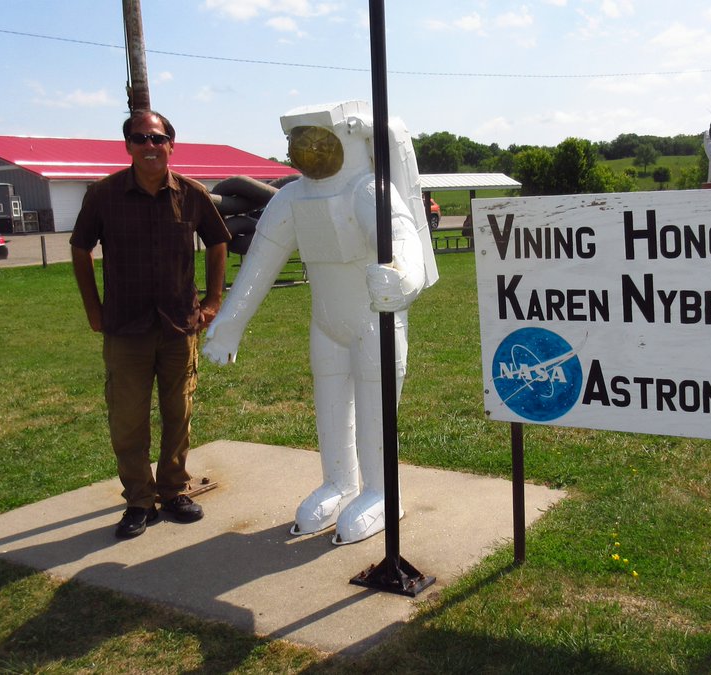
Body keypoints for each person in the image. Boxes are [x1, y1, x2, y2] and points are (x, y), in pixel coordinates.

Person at [203, 100, 437, 545]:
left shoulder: (367, 191)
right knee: (330, 408)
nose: (309, 149)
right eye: (300, 138)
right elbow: (260, 263)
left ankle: (382, 491)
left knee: (374, 411)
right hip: (327, 324)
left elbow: (404, 238)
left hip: (376, 325)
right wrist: (231, 322)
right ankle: (339, 482)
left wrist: (402, 278)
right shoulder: (291, 198)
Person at [70, 110, 230, 539]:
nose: (150, 146)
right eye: (140, 139)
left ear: (171, 145)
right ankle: (139, 500)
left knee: (179, 413)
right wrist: (93, 308)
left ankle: (174, 490)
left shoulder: (192, 194)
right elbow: (80, 249)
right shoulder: (103, 196)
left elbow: (219, 242)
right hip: (124, 327)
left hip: (179, 326)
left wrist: (213, 300)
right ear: (128, 146)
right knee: (128, 419)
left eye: (157, 139)